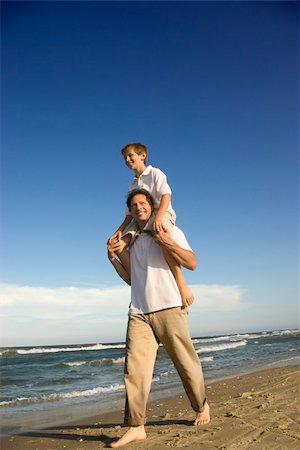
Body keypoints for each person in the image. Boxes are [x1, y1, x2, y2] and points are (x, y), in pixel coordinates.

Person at [107, 188, 210, 448]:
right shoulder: (133, 241)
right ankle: (136, 426)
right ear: (130, 212)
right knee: (135, 371)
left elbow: (192, 262)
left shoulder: (169, 230)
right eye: (134, 205)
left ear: (152, 206)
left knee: (186, 364)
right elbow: (132, 278)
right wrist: (113, 260)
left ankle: (201, 405)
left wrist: (167, 242)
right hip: (139, 312)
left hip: (170, 308)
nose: (139, 207)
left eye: (143, 203)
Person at [108, 142, 194, 307]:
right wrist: (117, 232)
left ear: (142, 156)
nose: (127, 159)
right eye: (124, 157)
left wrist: (159, 218)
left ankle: (181, 284)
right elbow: (128, 214)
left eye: (130, 155)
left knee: (161, 238)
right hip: (139, 218)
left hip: (161, 212)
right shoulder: (132, 184)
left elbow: (166, 196)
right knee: (117, 245)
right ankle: (137, 281)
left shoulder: (155, 173)